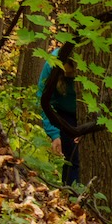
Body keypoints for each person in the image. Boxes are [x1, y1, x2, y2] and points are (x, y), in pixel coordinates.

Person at [39, 42, 94, 186]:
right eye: (64, 72)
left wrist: (85, 127)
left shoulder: (88, 67)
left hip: (85, 111)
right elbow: (43, 100)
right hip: (62, 113)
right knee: (73, 157)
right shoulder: (51, 64)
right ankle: (70, 193)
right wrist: (54, 134)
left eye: (70, 74)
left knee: (85, 156)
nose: (66, 75)